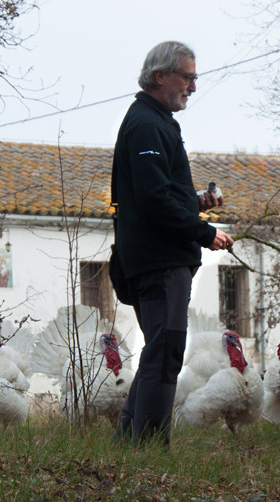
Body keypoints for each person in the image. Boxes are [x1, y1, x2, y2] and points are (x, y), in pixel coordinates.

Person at [111, 40, 233, 446]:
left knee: (156, 355)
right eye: (188, 77)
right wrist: (204, 231)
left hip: (156, 258)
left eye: (195, 78)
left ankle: (127, 444)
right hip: (160, 262)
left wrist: (197, 203)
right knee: (164, 357)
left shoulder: (156, 121)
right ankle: (147, 451)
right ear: (160, 75)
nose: (193, 88)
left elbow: (155, 193)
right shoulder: (146, 124)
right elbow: (153, 200)